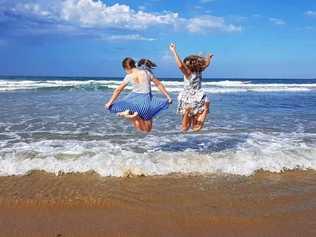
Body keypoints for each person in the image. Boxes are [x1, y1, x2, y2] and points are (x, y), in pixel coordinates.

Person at [105, 57, 172, 133]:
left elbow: (118, 90)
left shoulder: (129, 76)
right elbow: (159, 84)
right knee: (147, 129)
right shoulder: (146, 72)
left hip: (134, 102)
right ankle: (135, 116)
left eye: (125, 70)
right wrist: (168, 96)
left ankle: (134, 117)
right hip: (147, 102)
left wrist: (109, 103)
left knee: (141, 128)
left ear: (127, 68)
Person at [169, 43, 213, 132]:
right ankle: (205, 110)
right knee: (196, 128)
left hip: (187, 97)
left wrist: (174, 51)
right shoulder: (200, 71)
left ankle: (187, 112)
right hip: (198, 97)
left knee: (185, 128)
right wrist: (209, 58)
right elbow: (206, 64)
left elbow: (180, 65)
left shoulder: (188, 73)